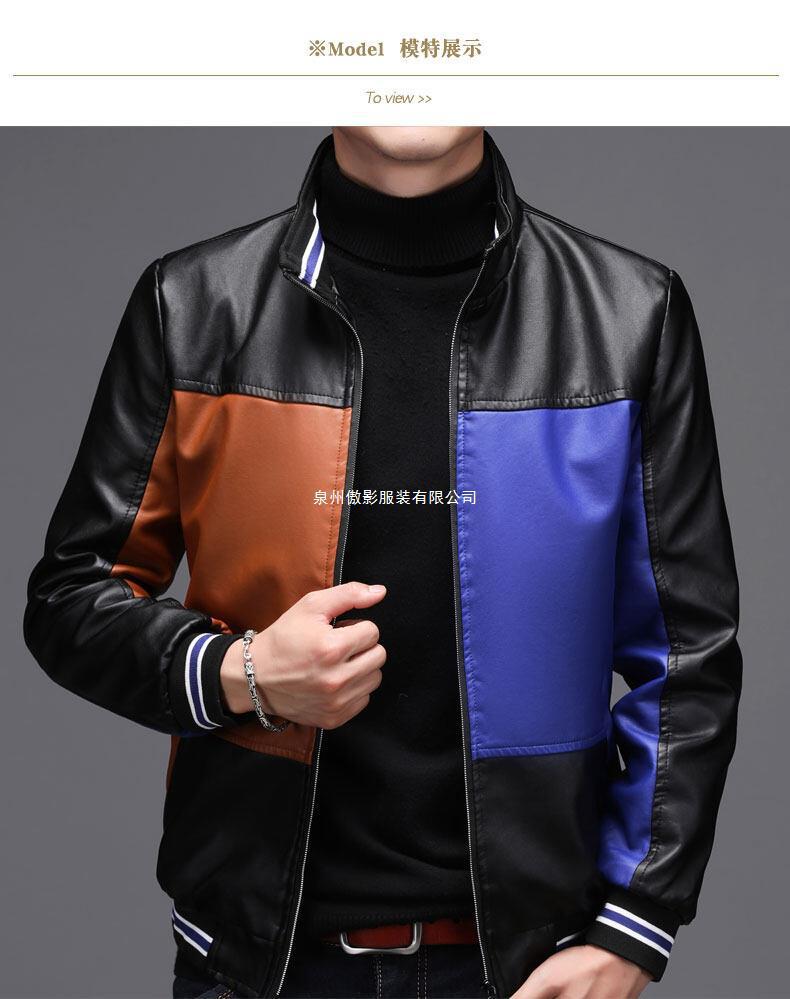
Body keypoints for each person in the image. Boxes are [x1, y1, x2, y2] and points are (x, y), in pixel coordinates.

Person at [23, 127, 742, 999]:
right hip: (256, 967)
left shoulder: (631, 314)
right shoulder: (194, 304)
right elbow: (71, 595)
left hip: (529, 969)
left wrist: (634, 925)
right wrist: (240, 672)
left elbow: (689, 652)